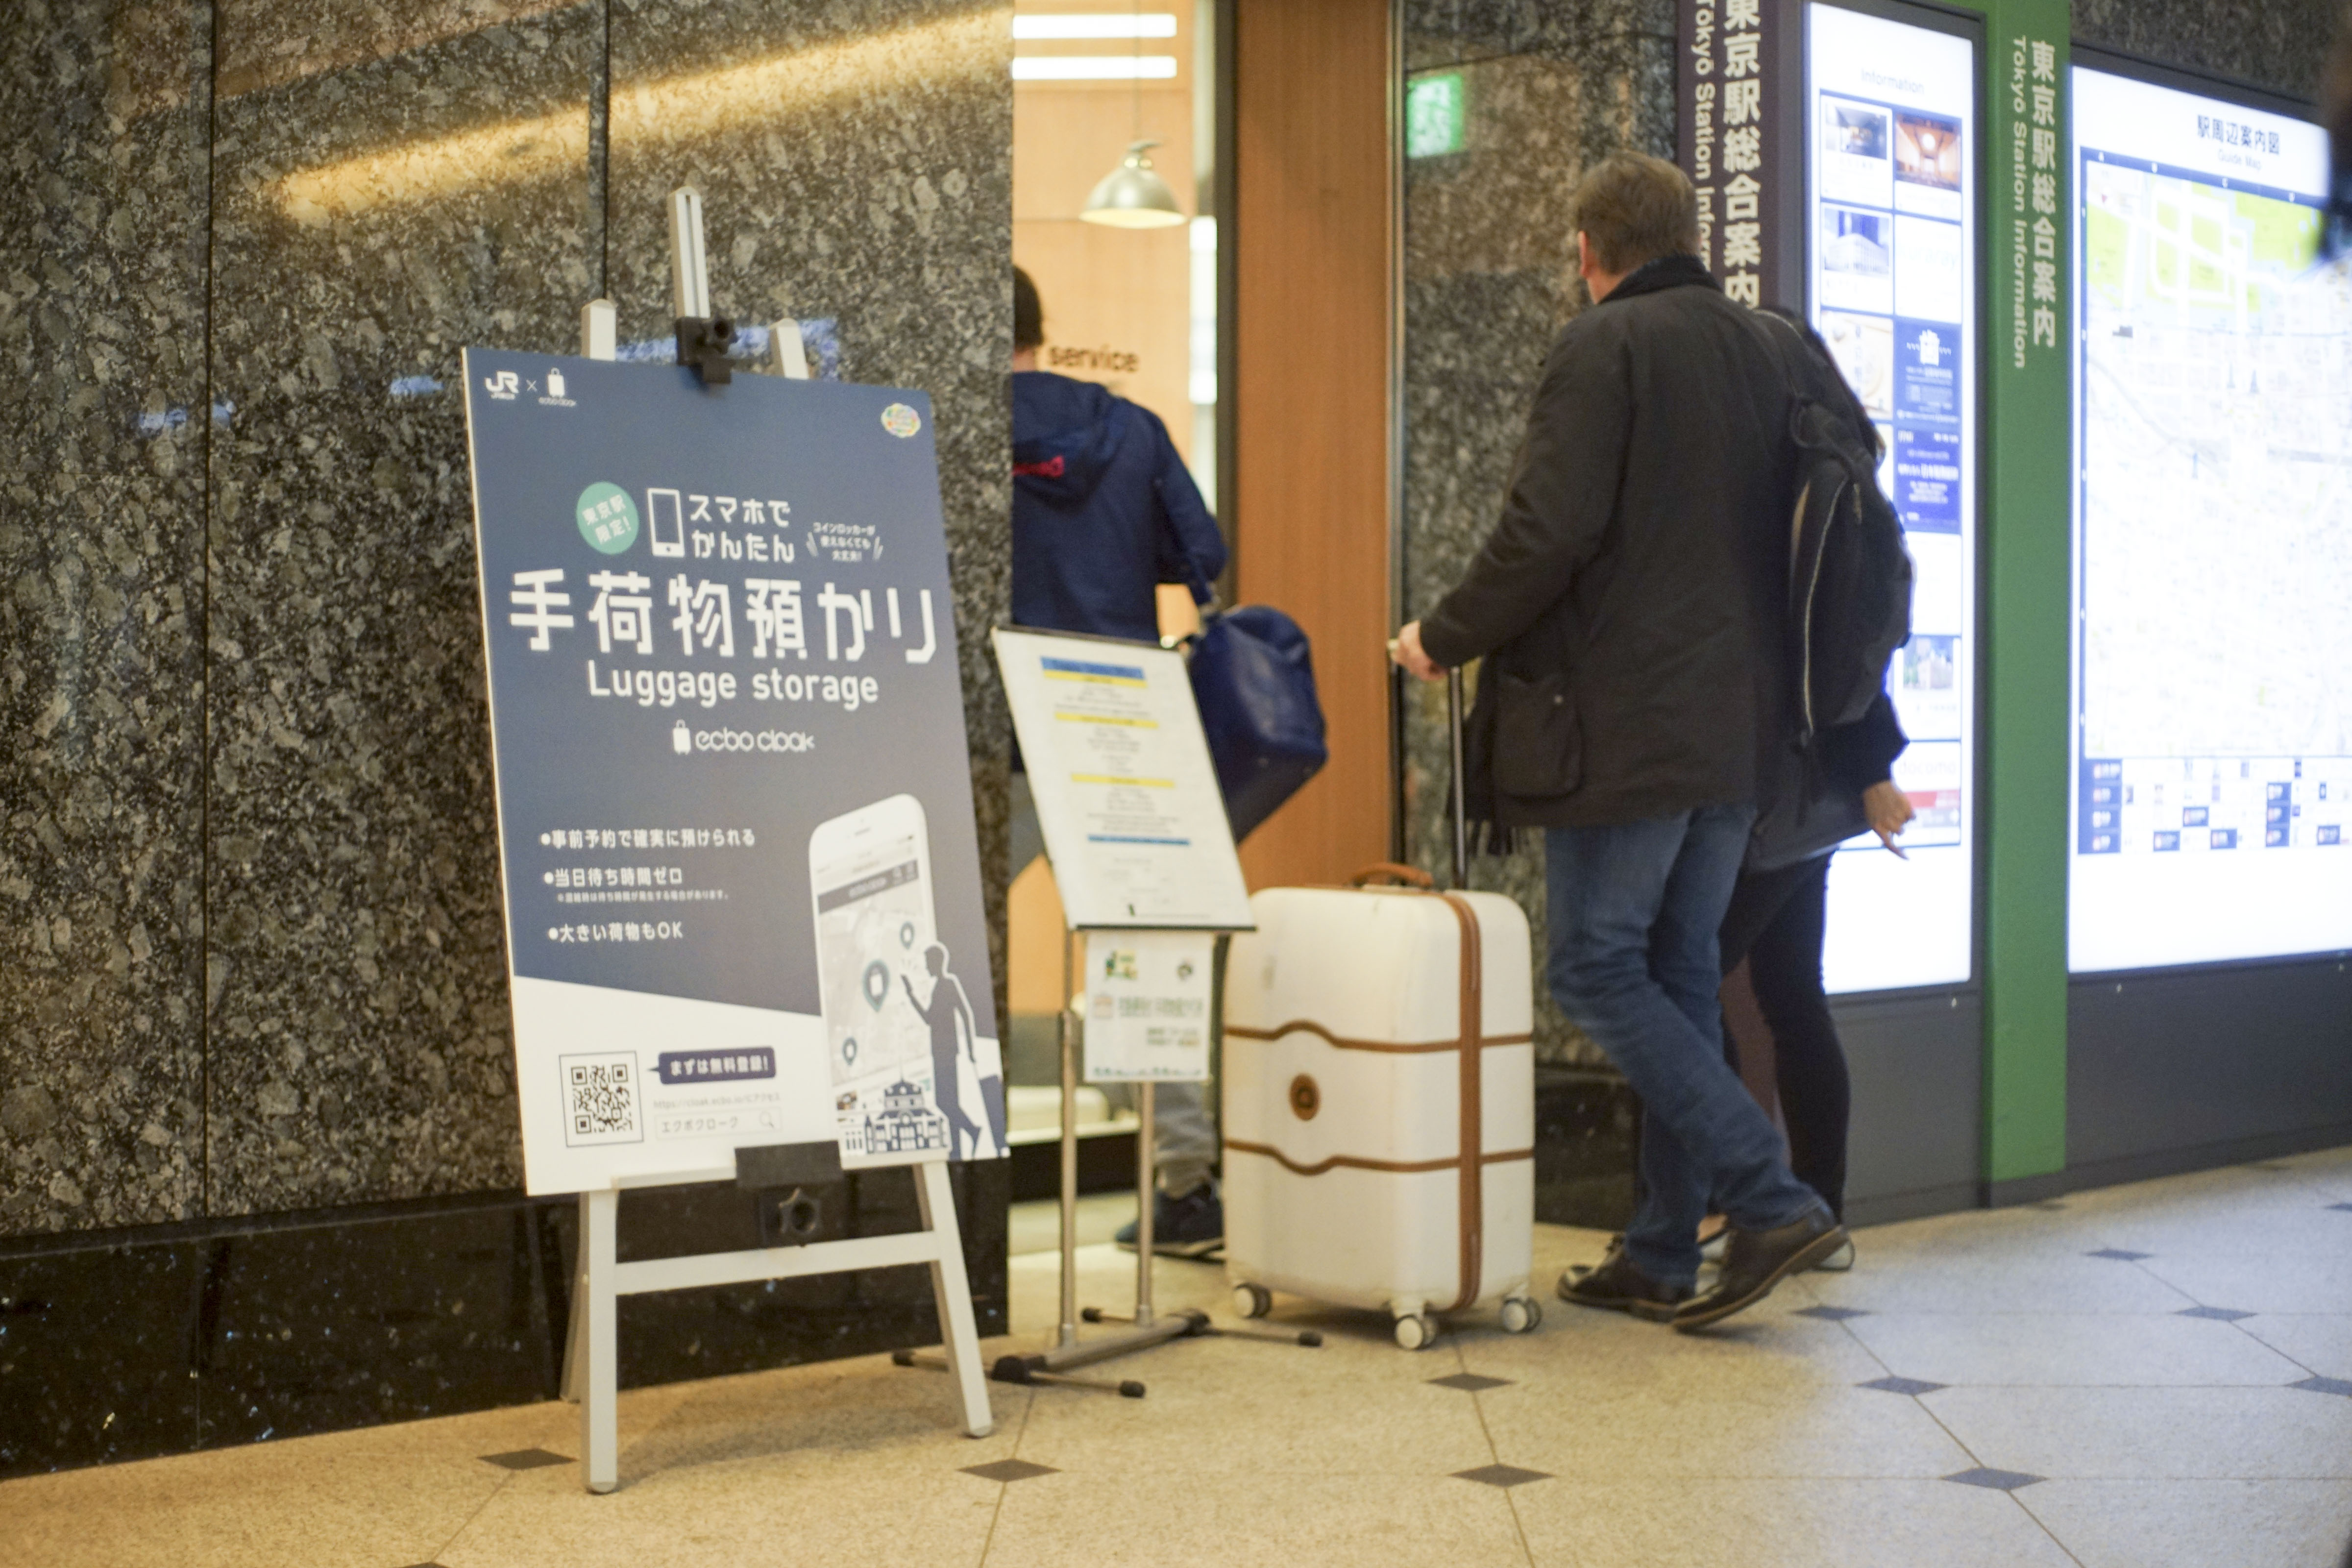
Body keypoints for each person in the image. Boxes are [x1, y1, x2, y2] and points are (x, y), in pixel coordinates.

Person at [1391, 152, 1846, 1330]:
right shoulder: (1766, 346)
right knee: (1679, 969)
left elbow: (1549, 527)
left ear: (1587, 251)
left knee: (1596, 966)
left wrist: (1440, 636)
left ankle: (1768, 1195)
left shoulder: (1602, 347)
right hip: (1739, 734)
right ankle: (1656, 1248)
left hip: (1628, 729)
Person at [1010, 265, 1229, 1254]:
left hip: (1000, 719)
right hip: (1117, 722)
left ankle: (928, 1188)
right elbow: (1205, 556)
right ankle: (1187, 1182)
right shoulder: (1129, 427)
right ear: (1038, 330)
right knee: (1137, 954)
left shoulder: (941, 433)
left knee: (946, 946)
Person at [1710, 312, 1917, 1270]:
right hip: (1821, 787)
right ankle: (1819, 1211)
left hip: (1783, 785)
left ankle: (1743, 1198)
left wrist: (1871, 765)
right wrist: (1870, 768)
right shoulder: (1850, 475)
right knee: (1793, 991)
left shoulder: (1804, 482)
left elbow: (1829, 650)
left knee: (1683, 978)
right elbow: (1862, 656)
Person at [904, 944, 989, 1161]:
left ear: (936, 962)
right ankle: (957, 1148)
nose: (925, 967)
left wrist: (971, 1049)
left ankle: (971, 1129)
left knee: (945, 1101)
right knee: (948, 1100)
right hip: (941, 1051)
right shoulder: (939, 987)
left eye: (927, 963)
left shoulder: (948, 984)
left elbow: (966, 1014)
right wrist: (911, 994)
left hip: (947, 1052)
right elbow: (930, 1020)